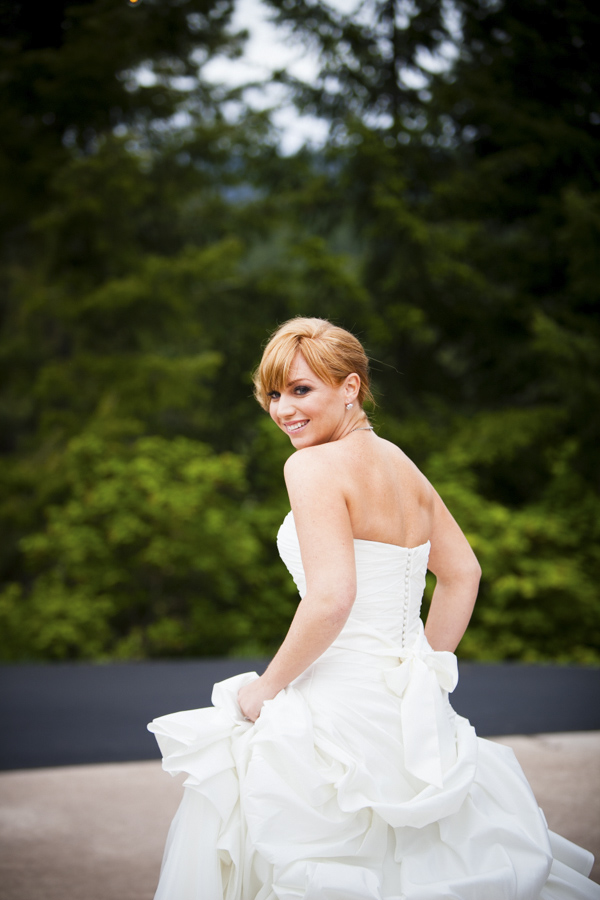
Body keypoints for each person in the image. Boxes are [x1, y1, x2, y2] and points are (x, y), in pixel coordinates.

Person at [148, 317, 599, 900]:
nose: (283, 409)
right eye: (274, 394)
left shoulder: (309, 467)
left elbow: (332, 598)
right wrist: (424, 675)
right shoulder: (400, 464)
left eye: (301, 390)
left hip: (334, 706)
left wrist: (265, 689)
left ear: (351, 387)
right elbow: (463, 574)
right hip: (407, 712)